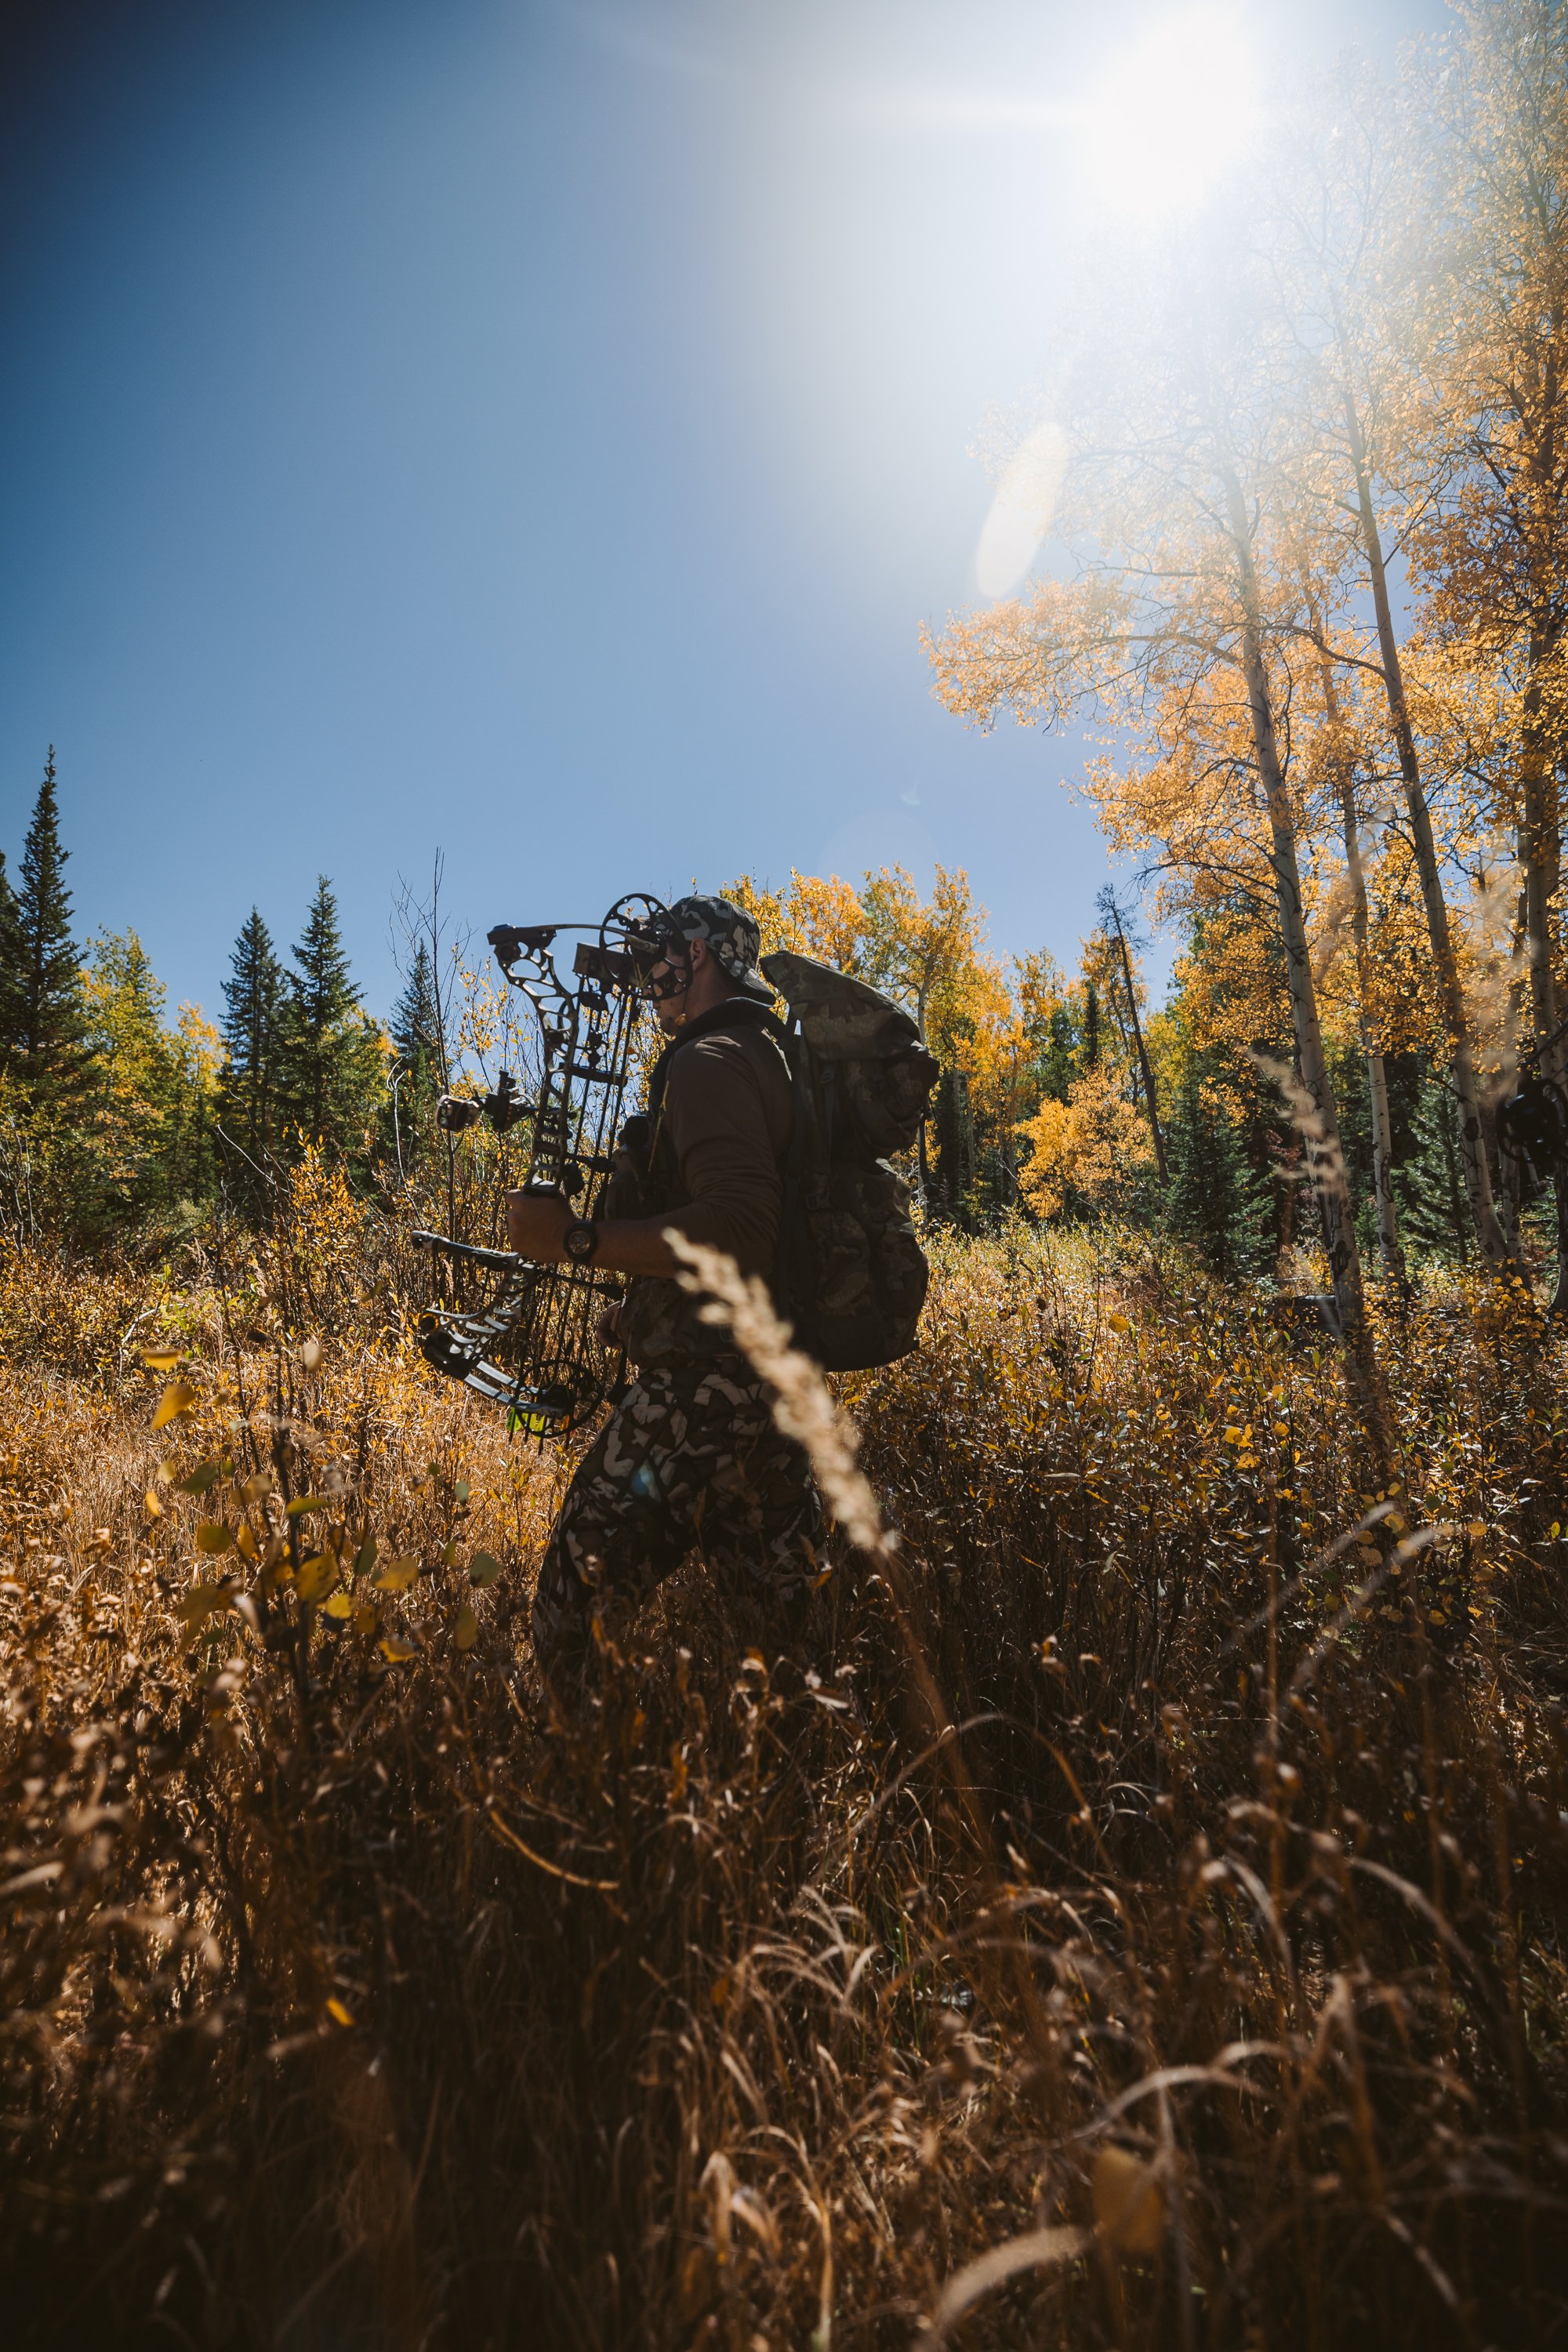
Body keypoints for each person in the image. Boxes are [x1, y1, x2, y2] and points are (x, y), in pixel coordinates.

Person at [504, 895, 825, 1678]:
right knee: (781, 1641)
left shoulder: (708, 1060)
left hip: (702, 1396)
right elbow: (755, 1236)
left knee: (570, 1616)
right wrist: (646, 1308)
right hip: (772, 1388)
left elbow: (740, 1230)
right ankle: (787, 1786)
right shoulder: (765, 1052)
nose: (649, 976)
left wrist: (573, 1240)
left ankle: (579, 1782)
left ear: (699, 955)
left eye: (658, 959)